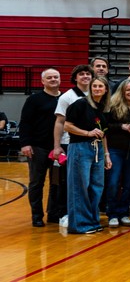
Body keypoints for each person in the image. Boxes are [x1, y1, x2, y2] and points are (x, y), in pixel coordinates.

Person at [63, 76, 112, 234]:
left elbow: (103, 134)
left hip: (97, 149)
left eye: (100, 86)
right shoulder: (80, 104)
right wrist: (87, 133)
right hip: (80, 147)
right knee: (79, 186)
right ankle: (79, 225)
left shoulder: (102, 108)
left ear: (105, 90)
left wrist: (107, 154)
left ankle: (92, 221)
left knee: (97, 187)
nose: (97, 89)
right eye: (94, 86)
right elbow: (67, 126)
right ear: (90, 88)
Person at [52, 64, 94, 227]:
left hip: (91, 144)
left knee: (88, 183)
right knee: (69, 182)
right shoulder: (67, 97)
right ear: (75, 78)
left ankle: (86, 213)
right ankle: (66, 213)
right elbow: (59, 122)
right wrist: (57, 146)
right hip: (70, 144)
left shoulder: (96, 94)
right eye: (81, 74)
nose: (85, 76)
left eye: (88, 74)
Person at [19, 68, 62, 227]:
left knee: (56, 182)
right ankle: (37, 215)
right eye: (49, 77)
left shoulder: (65, 98)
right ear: (42, 81)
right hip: (38, 148)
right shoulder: (34, 99)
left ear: (60, 79)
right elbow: (25, 123)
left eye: (55, 77)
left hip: (58, 149)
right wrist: (25, 143)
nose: (53, 80)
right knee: (37, 183)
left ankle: (53, 213)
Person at [103, 78, 130, 227]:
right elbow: (106, 126)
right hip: (115, 149)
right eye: (128, 90)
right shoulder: (113, 106)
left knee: (129, 183)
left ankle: (123, 212)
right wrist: (122, 126)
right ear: (122, 91)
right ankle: (112, 214)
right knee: (114, 182)